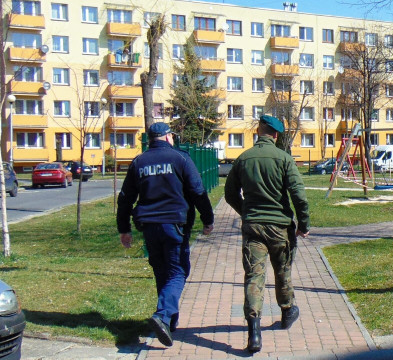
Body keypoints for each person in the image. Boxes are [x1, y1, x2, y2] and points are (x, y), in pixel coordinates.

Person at [117, 122, 214, 347]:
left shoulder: (138, 162)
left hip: (149, 226)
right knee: (178, 271)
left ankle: (169, 322)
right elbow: (198, 191)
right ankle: (163, 315)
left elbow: (125, 199)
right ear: (168, 137)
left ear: (150, 139)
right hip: (175, 225)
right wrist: (207, 219)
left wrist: (124, 229)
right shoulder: (181, 159)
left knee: (162, 272)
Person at [225, 115, 310, 353]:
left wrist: (246, 212)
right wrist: (303, 223)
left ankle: (254, 333)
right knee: (282, 271)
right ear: (275, 135)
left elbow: (230, 193)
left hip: (253, 227)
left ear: (258, 131)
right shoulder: (284, 159)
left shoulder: (243, 159)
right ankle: (287, 311)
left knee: (254, 276)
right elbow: (298, 195)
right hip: (280, 227)